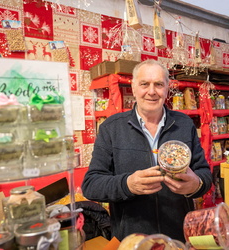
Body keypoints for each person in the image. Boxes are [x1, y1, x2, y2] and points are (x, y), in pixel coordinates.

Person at [82, 59, 212, 242]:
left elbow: (205, 173)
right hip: (132, 239)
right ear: (134, 88)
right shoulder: (111, 128)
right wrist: (127, 184)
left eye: (158, 84)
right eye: (144, 84)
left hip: (178, 237)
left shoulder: (184, 124)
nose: (151, 91)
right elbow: (91, 185)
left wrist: (196, 185)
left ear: (167, 88)